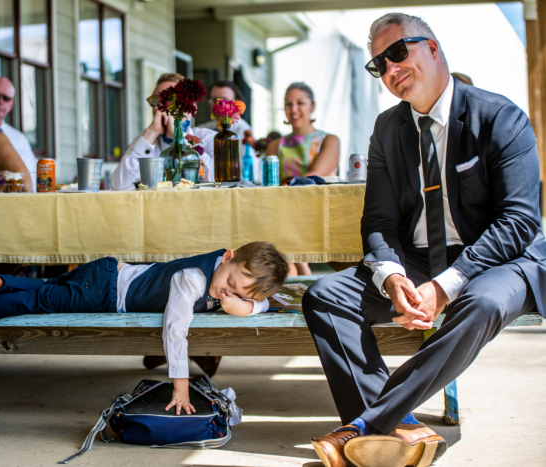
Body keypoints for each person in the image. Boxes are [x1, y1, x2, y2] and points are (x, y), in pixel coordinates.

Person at [303, 13, 545, 467]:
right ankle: (402, 429)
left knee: (483, 303)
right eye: (379, 64)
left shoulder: (500, 116)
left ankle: (366, 426)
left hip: (500, 261)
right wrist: (391, 275)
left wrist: (446, 285)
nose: (391, 69)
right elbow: (377, 220)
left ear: (432, 48)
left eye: (398, 52)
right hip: (416, 258)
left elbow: (519, 221)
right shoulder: (387, 129)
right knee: (326, 294)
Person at [0, 242, 289, 413]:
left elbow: (267, 302)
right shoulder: (192, 280)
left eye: (239, 294)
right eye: (229, 282)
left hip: (106, 273)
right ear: (227, 257)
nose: (226, 293)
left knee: (48, 290)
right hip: (104, 293)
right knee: (39, 303)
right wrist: (180, 387)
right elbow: (175, 332)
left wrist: (245, 306)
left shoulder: (223, 274)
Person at [267, 82, 340, 276]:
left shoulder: (329, 140)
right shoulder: (275, 145)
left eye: (300, 103)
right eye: (288, 104)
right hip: (281, 213)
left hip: (317, 212)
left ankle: (303, 270)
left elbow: (314, 178)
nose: (294, 109)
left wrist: (283, 188)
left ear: (312, 106)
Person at [111, 73, 217, 191]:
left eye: (168, 99)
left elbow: (219, 183)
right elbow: (120, 186)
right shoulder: (146, 141)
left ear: (190, 107)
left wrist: (180, 137)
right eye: (155, 101)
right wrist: (150, 132)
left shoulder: (209, 139)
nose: (157, 108)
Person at [0, 77, 38, 191]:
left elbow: (33, 176)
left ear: (11, 104)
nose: (0, 101)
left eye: (6, 98)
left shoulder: (19, 138)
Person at [198, 80, 257, 179]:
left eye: (224, 101)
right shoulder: (202, 128)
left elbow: (246, 167)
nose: (218, 105)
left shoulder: (242, 129)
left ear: (236, 103)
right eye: (214, 100)